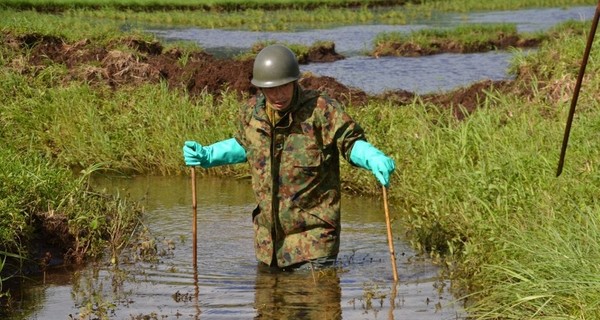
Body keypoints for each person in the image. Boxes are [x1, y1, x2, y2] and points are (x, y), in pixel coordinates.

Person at [183, 44, 395, 270]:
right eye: (270, 89)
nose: (278, 95)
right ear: (261, 88)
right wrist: (209, 154)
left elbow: (349, 142)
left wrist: (371, 157)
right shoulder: (252, 113)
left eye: (284, 87)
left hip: (314, 244)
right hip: (268, 246)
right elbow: (245, 145)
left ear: (294, 82)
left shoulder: (320, 110)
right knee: (267, 304)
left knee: (318, 300)